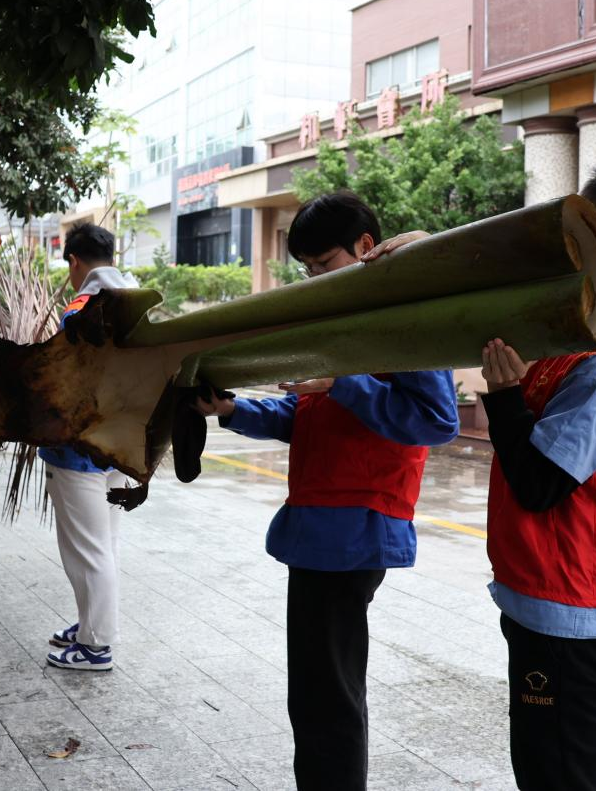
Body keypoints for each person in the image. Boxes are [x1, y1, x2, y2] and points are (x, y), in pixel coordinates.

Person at [364, 162, 596, 790]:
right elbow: (497, 298)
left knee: (561, 773)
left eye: (570, 229)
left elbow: (540, 483)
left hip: (572, 600)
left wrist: (503, 399)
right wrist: (428, 255)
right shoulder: (583, 321)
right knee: (543, 765)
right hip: (548, 591)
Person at [193, 193, 459, 791]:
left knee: (326, 697)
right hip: (319, 530)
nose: (316, 279)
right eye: (307, 270)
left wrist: (345, 383)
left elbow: (437, 420)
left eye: (325, 263)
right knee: (316, 691)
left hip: (356, 528)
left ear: (367, 247)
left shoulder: (400, 312)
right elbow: (303, 416)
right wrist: (233, 409)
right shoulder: (339, 315)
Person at [40, 222, 137, 671]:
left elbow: (68, 382)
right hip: (120, 445)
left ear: (74, 262)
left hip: (79, 449)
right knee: (105, 544)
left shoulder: (81, 307)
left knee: (86, 548)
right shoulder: (136, 299)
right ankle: (88, 625)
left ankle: (96, 646)